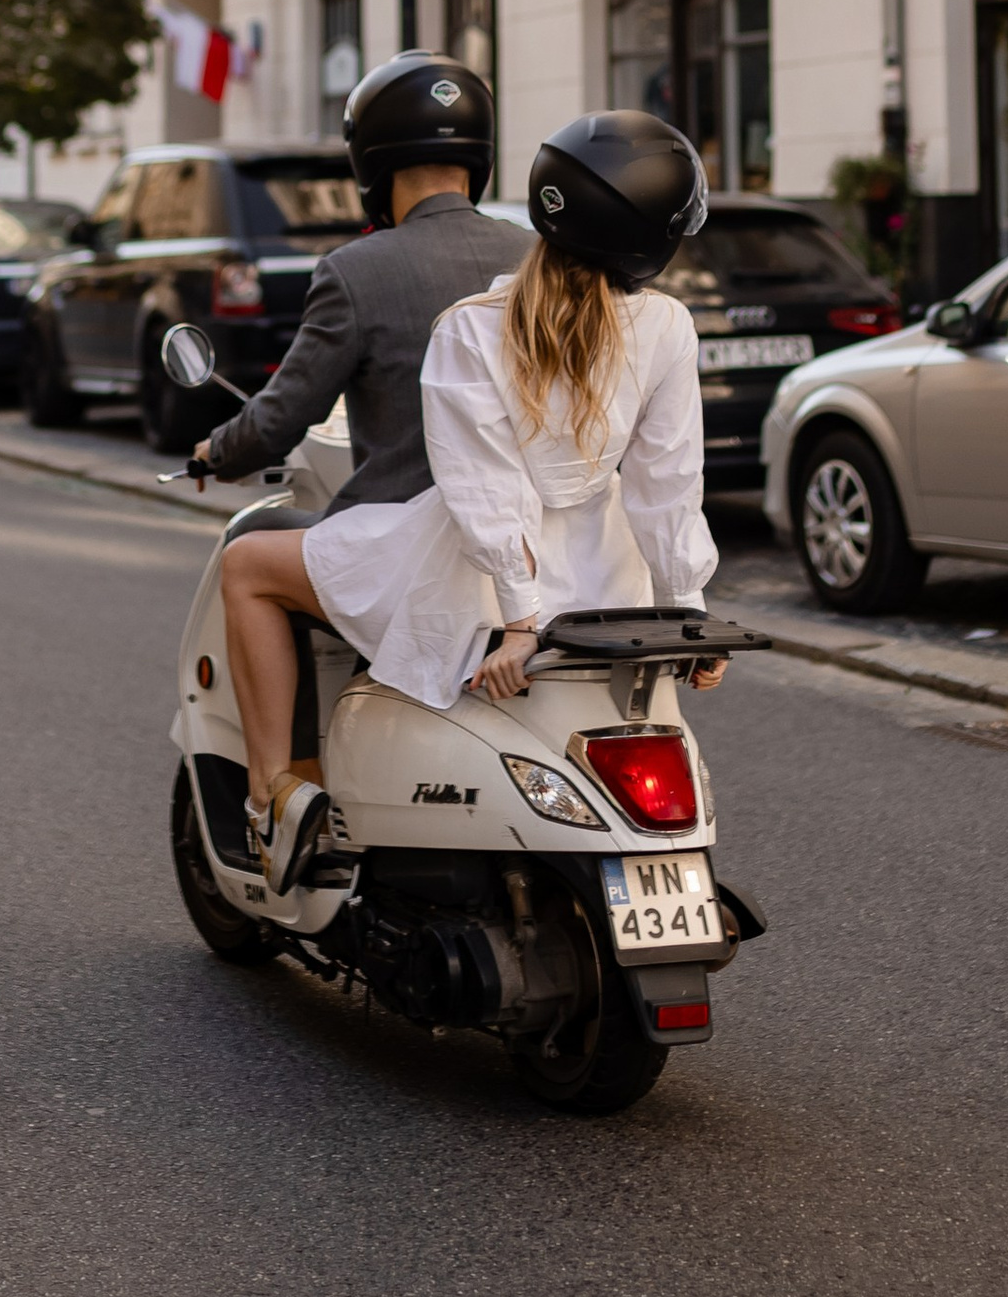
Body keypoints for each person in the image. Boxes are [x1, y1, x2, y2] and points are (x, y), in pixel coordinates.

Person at [220, 108, 722, 887]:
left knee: (248, 563)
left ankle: (273, 800)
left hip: (469, 580)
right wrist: (686, 607)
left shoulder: (471, 328)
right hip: (605, 579)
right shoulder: (667, 325)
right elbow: (668, 484)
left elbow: (483, 488)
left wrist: (519, 623)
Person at [204, 50, 519, 881]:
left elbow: (281, 417)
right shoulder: (544, 259)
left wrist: (215, 450)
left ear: (369, 165)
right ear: (479, 157)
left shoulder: (356, 270)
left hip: (421, 551)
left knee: (246, 566)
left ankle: (276, 793)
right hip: (543, 555)